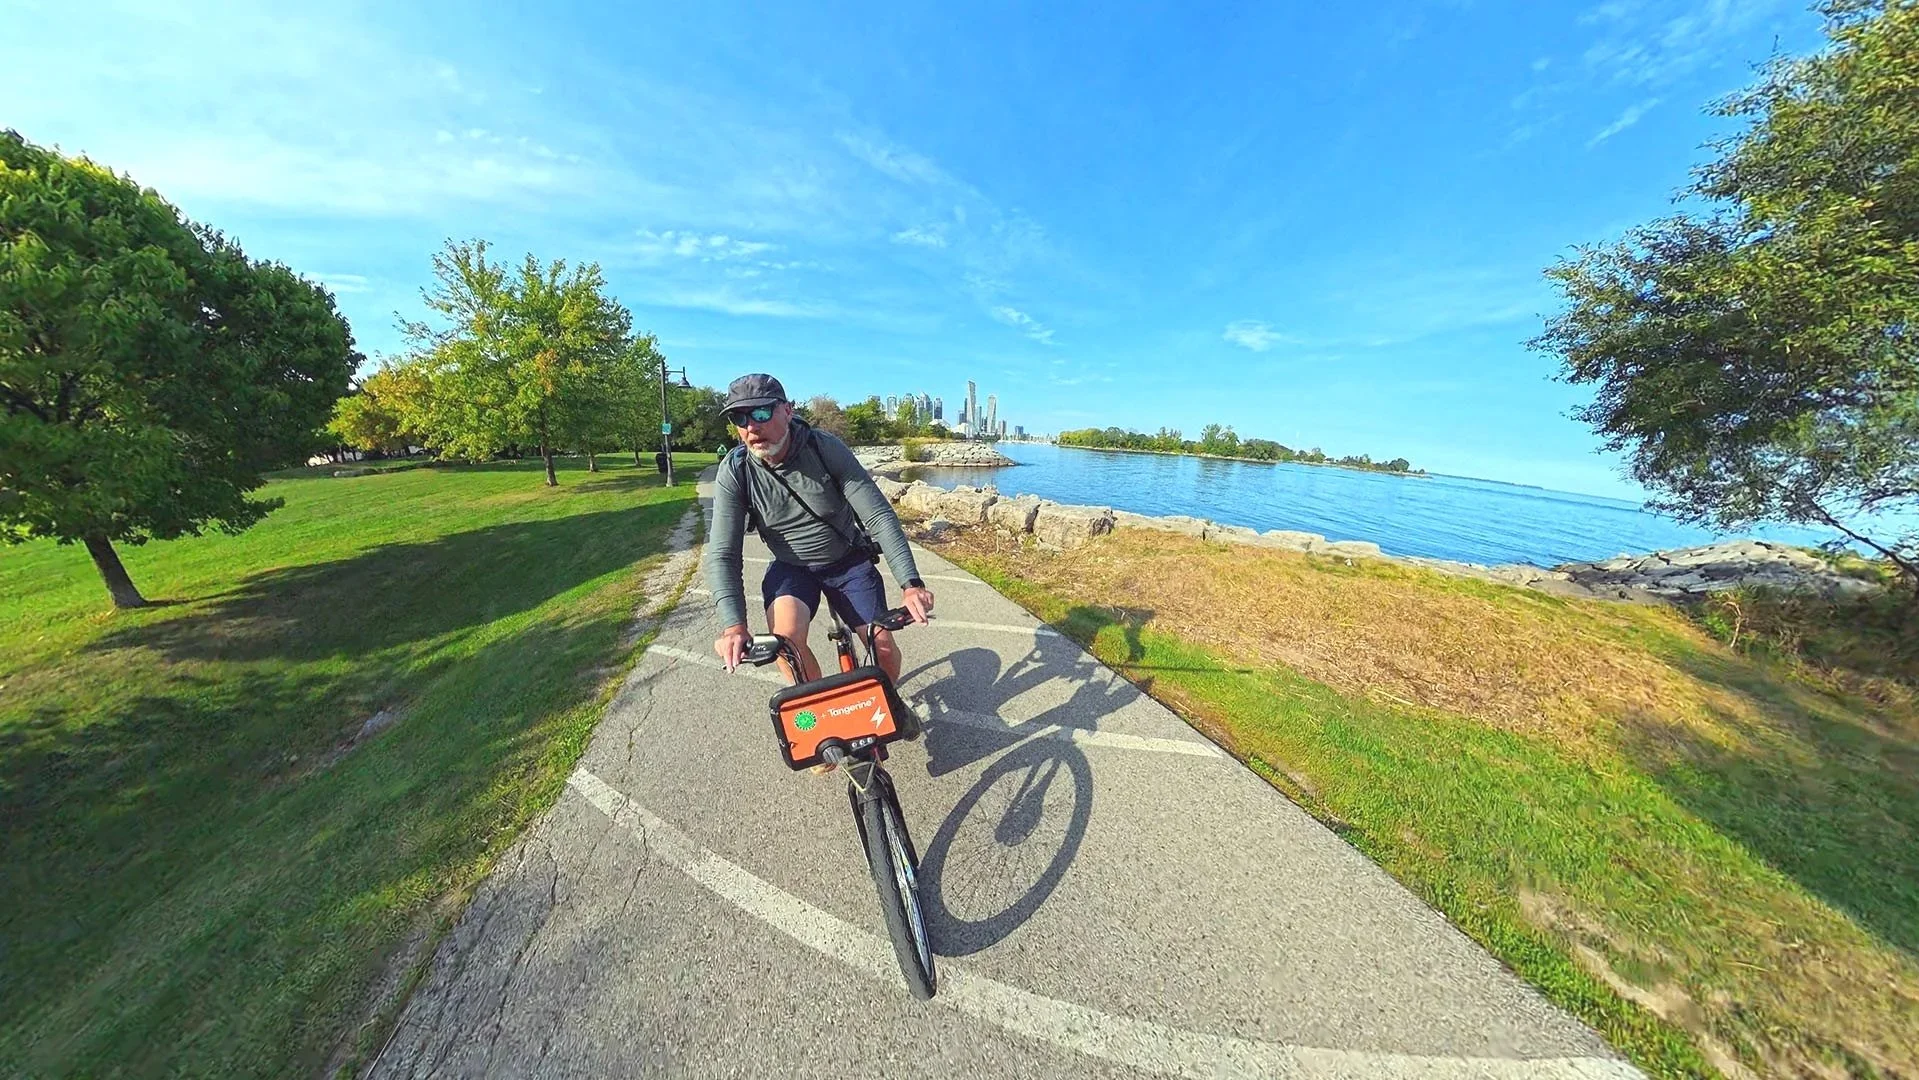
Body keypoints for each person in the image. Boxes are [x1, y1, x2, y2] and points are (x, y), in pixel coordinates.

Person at [705, 373, 933, 694]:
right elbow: (723, 553)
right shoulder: (736, 469)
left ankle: (888, 700)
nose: (751, 427)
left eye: (760, 413)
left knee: (879, 642)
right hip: (792, 568)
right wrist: (734, 626)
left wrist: (911, 584)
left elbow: (878, 516)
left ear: (786, 410)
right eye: (739, 417)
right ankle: (825, 709)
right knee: (786, 646)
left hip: (847, 562)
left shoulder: (824, 448)